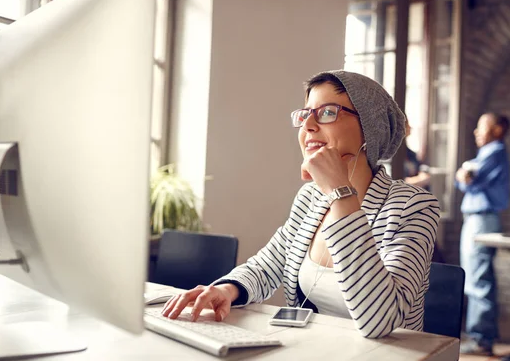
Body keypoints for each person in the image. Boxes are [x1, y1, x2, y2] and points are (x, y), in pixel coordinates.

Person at [162, 70, 440, 338]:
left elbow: (381, 320)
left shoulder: (414, 207)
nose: (308, 125)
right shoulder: (311, 198)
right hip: (312, 354)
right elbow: (267, 264)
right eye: (306, 114)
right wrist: (227, 290)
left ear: (370, 129)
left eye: (328, 112)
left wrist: (341, 192)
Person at [455, 113, 510, 355]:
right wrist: (464, 176)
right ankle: (483, 336)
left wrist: (464, 174)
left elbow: (470, 181)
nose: (476, 132)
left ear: (498, 130)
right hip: (479, 220)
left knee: (478, 278)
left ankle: (481, 339)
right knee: (480, 276)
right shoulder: (488, 154)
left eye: (482, 127)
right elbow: (464, 181)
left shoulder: (494, 151)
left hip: (481, 220)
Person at [403, 118, 430, 190]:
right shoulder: (390, 156)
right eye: (406, 125)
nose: (410, 127)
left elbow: (423, 172)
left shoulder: (411, 154)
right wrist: (418, 180)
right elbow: (395, 181)